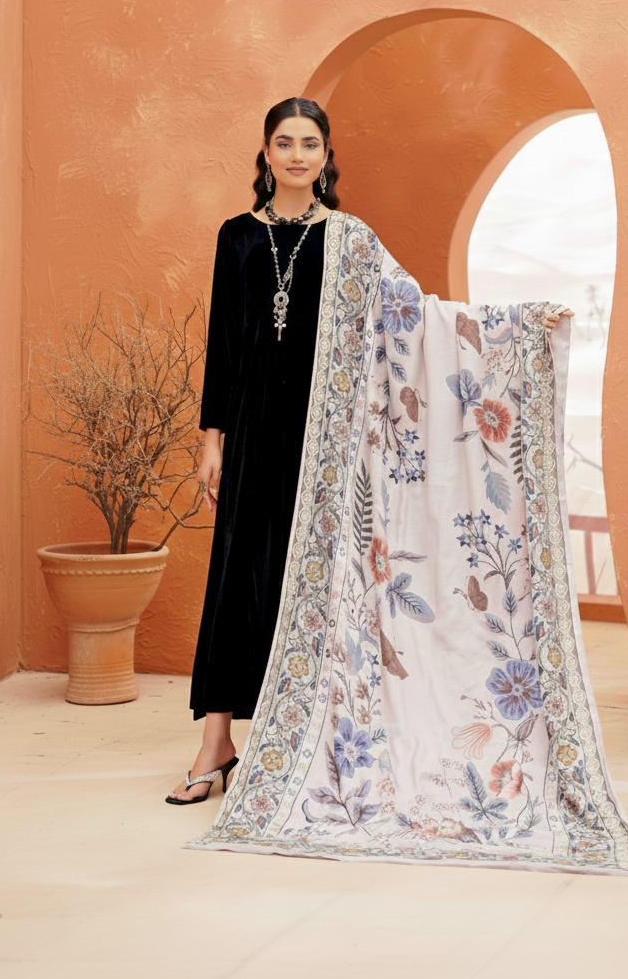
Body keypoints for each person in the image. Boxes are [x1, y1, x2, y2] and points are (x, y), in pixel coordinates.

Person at [167, 98, 570, 804]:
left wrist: (518, 327)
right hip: (254, 431)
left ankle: (307, 742)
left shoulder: (351, 240)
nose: (297, 155)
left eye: (310, 143)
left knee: (316, 581)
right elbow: (223, 347)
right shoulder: (236, 237)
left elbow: (418, 316)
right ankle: (216, 742)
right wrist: (212, 441)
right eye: (285, 142)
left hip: (328, 438)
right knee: (233, 577)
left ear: (327, 156)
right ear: (266, 153)